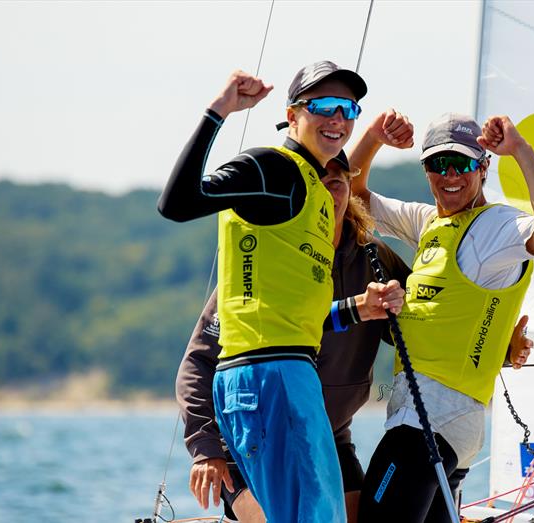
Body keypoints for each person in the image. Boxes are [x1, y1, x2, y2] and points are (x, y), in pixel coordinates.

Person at [158, 61, 373, 521]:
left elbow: (301, 308)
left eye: (348, 109)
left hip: (287, 374)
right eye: (322, 107)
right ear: (293, 115)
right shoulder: (275, 168)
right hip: (270, 376)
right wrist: (220, 111)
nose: (337, 119)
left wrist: (358, 310)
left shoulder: (316, 189)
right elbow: (176, 202)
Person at [349, 110, 534, 521]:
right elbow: (348, 195)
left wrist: (520, 149)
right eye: (438, 163)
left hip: (432, 420)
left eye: (463, 164)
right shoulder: (429, 222)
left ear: (484, 167)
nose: (450, 174)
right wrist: (372, 137)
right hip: (440, 423)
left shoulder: (497, 228)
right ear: (426, 170)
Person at [176, 154, 410, 522]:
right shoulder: (271, 253)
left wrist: (502, 344)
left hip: (329, 436)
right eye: (320, 179)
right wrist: (205, 448)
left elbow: (422, 325)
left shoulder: (373, 258)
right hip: (250, 440)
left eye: (339, 179)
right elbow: (197, 362)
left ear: (351, 188)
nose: (330, 188)